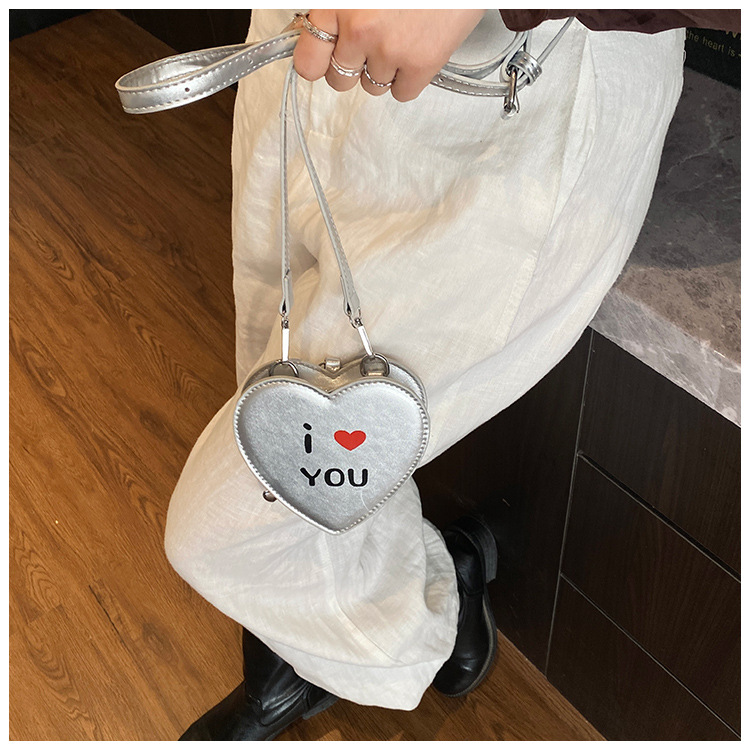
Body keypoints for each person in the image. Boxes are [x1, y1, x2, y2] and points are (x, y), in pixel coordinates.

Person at [163, 9, 740, 741]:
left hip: (509, 92)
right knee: (274, 372)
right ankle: (296, 647)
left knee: (225, 523)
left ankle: (426, 610)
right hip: (313, 41)